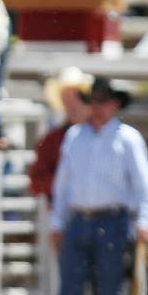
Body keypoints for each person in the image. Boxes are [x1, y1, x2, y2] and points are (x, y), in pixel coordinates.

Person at [50, 77, 148, 295]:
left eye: (104, 101)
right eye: (95, 101)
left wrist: (144, 222)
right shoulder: (75, 136)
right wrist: (57, 223)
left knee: (108, 294)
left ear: (115, 105)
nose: (98, 107)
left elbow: (145, 187)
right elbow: (63, 185)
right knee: (70, 294)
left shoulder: (128, 139)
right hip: (79, 220)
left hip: (113, 221)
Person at [29, 66, 93, 202]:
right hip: (64, 212)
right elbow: (36, 183)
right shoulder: (52, 140)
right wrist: (67, 181)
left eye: (77, 98)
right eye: (67, 100)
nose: (72, 106)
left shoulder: (102, 134)